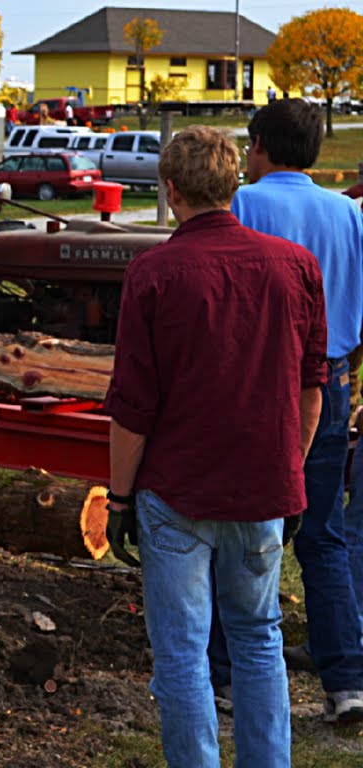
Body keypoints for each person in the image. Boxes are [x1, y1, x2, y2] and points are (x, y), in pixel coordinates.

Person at [103, 125, 326, 766]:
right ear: (236, 183)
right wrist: (293, 472)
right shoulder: (295, 267)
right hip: (262, 487)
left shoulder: (152, 272)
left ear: (171, 189)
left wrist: (119, 499)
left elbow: (133, 406)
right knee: (259, 639)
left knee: (182, 651)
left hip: (177, 490)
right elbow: (312, 393)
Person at [228, 98, 363, 724]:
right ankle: (347, 681)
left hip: (266, 379)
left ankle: (229, 673)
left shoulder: (247, 205)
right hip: (333, 380)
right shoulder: (348, 213)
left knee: (244, 523)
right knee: (324, 535)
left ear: (258, 146)